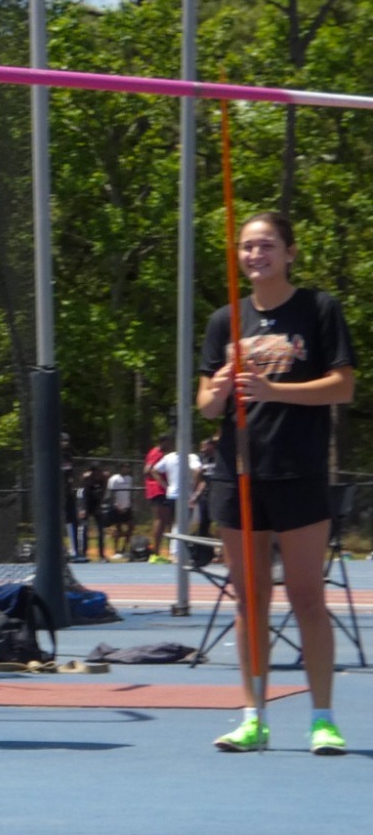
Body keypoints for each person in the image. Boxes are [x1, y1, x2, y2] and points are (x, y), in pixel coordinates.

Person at [198, 210, 353, 757]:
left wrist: (275, 391)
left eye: (266, 246)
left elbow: (342, 386)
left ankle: (322, 717)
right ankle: (252, 715)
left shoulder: (318, 309)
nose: (255, 255)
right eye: (247, 247)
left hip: (299, 470)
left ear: (289, 252)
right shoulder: (225, 322)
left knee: (307, 597)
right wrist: (218, 391)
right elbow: (205, 402)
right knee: (250, 600)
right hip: (238, 474)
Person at [149, 435, 202, 549]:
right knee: (183, 524)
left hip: (171, 494)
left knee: (174, 524)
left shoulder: (168, 457)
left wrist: (165, 485)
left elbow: (154, 470)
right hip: (185, 495)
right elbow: (198, 470)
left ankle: (173, 551)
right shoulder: (191, 456)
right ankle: (178, 552)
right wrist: (194, 488)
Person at [77, 466, 108, 563]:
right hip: (86, 504)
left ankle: (101, 555)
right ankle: (83, 553)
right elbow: (84, 496)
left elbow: (102, 494)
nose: (97, 474)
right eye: (94, 472)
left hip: (96, 505)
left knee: (101, 530)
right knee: (84, 528)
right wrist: (83, 509)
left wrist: (98, 507)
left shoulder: (102, 481)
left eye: (98, 471)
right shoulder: (87, 481)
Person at [105, 466, 134, 558]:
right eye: (124, 467)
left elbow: (130, 493)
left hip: (127, 507)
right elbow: (111, 494)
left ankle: (124, 548)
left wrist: (128, 506)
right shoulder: (114, 479)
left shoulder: (130, 479)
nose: (126, 469)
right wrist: (117, 506)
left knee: (131, 527)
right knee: (118, 528)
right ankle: (116, 550)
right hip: (117, 507)